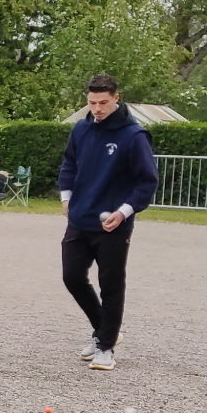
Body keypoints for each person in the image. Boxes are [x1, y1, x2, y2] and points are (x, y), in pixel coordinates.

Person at [57, 74, 159, 372]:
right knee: (72, 277)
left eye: (103, 102)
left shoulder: (133, 135)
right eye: (92, 103)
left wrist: (125, 211)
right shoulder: (81, 129)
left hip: (113, 223)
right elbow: (69, 164)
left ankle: (106, 346)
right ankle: (106, 330)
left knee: (111, 285)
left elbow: (146, 181)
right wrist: (66, 197)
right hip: (80, 218)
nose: (97, 109)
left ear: (116, 97)